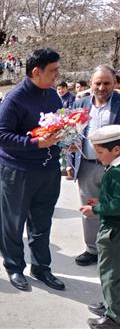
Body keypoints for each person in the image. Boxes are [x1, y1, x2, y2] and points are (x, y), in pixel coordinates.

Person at [0, 48, 65, 291]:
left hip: (47, 170)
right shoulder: (15, 99)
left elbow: (57, 126)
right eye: (53, 71)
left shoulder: (53, 97)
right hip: (17, 171)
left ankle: (41, 267)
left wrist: (67, 138)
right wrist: (34, 143)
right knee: (13, 222)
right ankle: (14, 267)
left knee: (42, 222)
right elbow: (0, 136)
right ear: (36, 72)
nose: (57, 75)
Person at [71, 65, 120, 266]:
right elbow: (72, 133)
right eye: (97, 83)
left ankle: (113, 250)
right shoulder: (81, 104)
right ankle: (92, 249)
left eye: (106, 83)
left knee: (114, 209)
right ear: (91, 84)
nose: (101, 87)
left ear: (115, 84)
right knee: (90, 209)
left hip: (115, 168)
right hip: (87, 166)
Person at [79, 125, 120, 329]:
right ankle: (111, 305)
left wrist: (95, 210)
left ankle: (114, 318)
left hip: (113, 231)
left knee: (110, 272)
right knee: (111, 272)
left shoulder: (116, 172)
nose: (97, 157)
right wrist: (100, 201)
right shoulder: (114, 167)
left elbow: (117, 205)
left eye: (100, 152)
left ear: (116, 150)